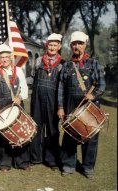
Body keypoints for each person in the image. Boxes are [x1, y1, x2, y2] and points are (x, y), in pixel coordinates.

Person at [57, 31, 106, 178]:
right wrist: (60, 107)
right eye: (74, 44)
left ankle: (88, 167)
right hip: (71, 104)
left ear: (85, 45)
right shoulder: (66, 66)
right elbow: (61, 88)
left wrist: (93, 94)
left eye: (80, 43)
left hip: (90, 106)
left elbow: (102, 84)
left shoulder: (94, 64)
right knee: (70, 135)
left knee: (90, 136)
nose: (77, 46)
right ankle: (68, 165)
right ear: (71, 46)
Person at [0, 44, 30, 172]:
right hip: (2, 105)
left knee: (20, 132)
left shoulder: (18, 70)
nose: (4, 59)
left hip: (17, 105)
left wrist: (20, 97)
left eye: (7, 57)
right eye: (2, 57)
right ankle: (5, 162)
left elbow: (24, 88)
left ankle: (21, 161)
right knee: (3, 135)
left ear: (11, 58)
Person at [29, 33, 65, 170]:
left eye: (55, 45)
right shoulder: (38, 61)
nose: (52, 47)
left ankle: (51, 159)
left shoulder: (62, 64)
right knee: (36, 127)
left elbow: (63, 85)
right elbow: (32, 77)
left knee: (52, 128)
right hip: (37, 97)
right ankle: (35, 157)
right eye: (50, 44)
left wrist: (61, 105)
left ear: (59, 46)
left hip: (53, 99)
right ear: (46, 45)